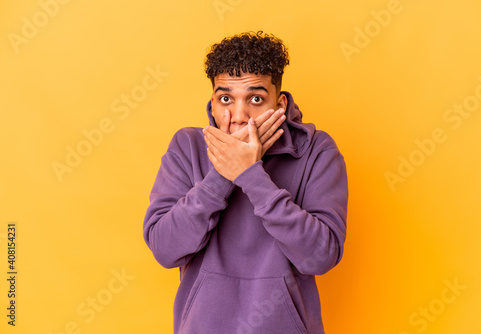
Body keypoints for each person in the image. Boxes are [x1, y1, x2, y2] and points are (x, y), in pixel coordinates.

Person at [143, 31, 348, 334]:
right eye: (226, 98)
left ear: (278, 104)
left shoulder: (317, 150)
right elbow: (165, 248)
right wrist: (222, 175)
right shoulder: (187, 146)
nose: (239, 116)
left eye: (255, 98)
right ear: (212, 103)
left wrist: (251, 175)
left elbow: (320, 256)